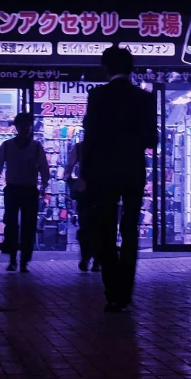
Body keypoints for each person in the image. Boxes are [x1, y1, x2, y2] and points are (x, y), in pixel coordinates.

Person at [80, 46, 156, 312]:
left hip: (103, 174)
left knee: (106, 229)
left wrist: (85, 175)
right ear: (131, 68)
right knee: (130, 230)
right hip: (133, 172)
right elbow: (151, 139)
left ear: (107, 68)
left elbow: (89, 140)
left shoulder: (97, 96)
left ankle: (112, 292)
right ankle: (126, 291)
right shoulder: (144, 98)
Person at [0, 111, 50, 271]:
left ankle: (22, 261)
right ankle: (14, 259)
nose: (24, 128)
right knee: (11, 224)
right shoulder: (7, 145)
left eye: (27, 125)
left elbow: (44, 169)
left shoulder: (35, 147)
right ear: (16, 127)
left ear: (30, 127)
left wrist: (44, 186)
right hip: (14, 189)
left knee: (27, 226)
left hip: (27, 190)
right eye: (21, 125)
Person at [65, 129, 95, 272]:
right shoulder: (80, 148)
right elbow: (68, 169)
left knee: (88, 225)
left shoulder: (80, 148)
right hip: (95, 192)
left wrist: (71, 182)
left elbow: (68, 169)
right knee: (94, 225)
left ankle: (88, 258)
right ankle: (91, 258)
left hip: (88, 191)